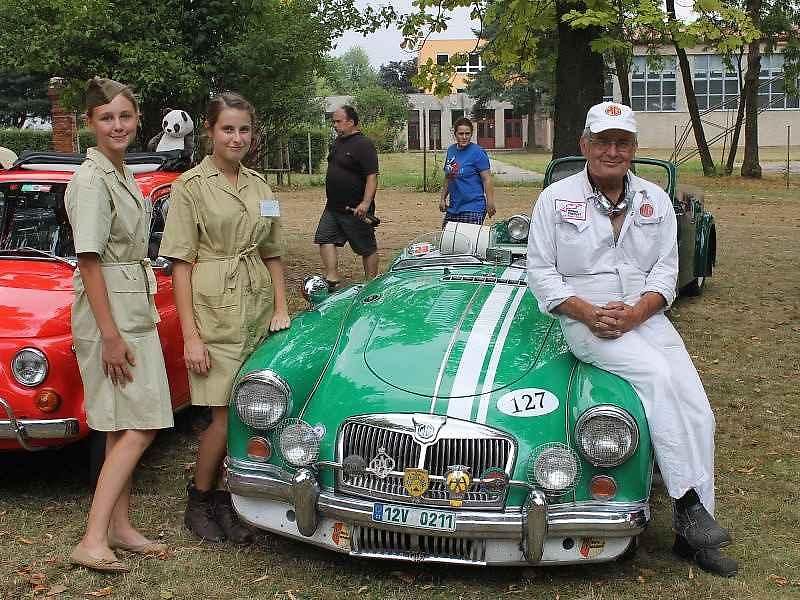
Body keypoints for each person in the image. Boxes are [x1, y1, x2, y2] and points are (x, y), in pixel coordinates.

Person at [526, 101, 737, 577]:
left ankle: (693, 535)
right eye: (603, 141)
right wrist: (585, 310)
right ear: (585, 145)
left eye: (622, 142)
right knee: (658, 377)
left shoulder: (654, 199)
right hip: (587, 320)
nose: (612, 151)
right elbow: (540, 271)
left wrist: (640, 310)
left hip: (643, 317)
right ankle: (685, 502)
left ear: (634, 149)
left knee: (698, 410)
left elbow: (666, 269)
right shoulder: (555, 199)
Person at [159, 92, 290, 543]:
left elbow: (273, 252)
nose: (236, 137)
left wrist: (280, 306)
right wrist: (191, 336)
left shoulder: (261, 187)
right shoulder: (190, 187)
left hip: (256, 305)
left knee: (253, 407)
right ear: (210, 131)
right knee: (223, 413)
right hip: (213, 306)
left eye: (244, 129)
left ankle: (229, 500)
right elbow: (180, 263)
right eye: (227, 129)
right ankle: (200, 498)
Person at [65, 77, 173, 573]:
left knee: (120, 423)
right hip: (113, 314)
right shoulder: (91, 180)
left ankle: (119, 528)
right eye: (106, 117)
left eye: (124, 116)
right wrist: (109, 335)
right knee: (144, 423)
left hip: (132, 305)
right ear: (90, 123)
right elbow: (89, 261)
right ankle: (92, 538)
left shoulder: (121, 173)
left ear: (137, 120)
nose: (117, 125)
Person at [314, 105, 379, 286]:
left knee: (367, 249)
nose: (334, 125)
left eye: (338, 121)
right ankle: (332, 278)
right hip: (333, 206)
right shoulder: (338, 142)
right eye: (333, 121)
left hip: (355, 208)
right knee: (324, 237)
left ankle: (371, 284)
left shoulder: (364, 145)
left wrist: (365, 203)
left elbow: (372, 177)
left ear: (351, 122)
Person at [439, 117, 496, 227]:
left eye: (467, 133)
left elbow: (487, 179)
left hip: (473, 207)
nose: (464, 137)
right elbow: (448, 177)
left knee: (467, 240)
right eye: (461, 134)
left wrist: (490, 202)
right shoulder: (451, 151)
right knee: (448, 239)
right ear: (455, 134)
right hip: (454, 207)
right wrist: (443, 198)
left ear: (471, 134)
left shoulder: (478, 152)